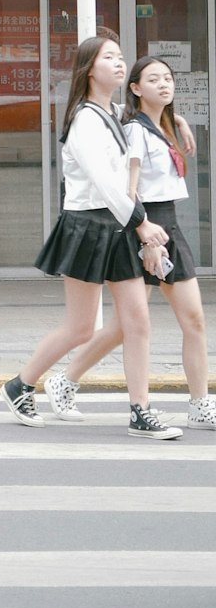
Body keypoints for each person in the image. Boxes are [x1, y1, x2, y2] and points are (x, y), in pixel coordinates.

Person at [0, 32, 182, 440]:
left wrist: (178, 119)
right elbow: (104, 183)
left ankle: (140, 411)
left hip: (118, 225)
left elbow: (142, 134)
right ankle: (20, 384)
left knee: (137, 320)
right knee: (81, 328)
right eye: (110, 58)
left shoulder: (115, 112)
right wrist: (143, 226)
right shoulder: (85, 119)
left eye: (121, 57)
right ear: (89, 68)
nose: (120, 63)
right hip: (88, 226)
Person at [45, 54, 216, 429]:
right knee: (127, 326)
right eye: (154, 79)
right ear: (136, 89)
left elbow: (154, 117)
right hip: (149, 227)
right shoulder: (136, 130)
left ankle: (200, 403)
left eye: (168, 78)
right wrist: (147, 236)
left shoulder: (161, 124)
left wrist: (180, 120)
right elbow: (130, 186)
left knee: (193, 319)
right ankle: (66, 379)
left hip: (169, 226)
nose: (165, 85)